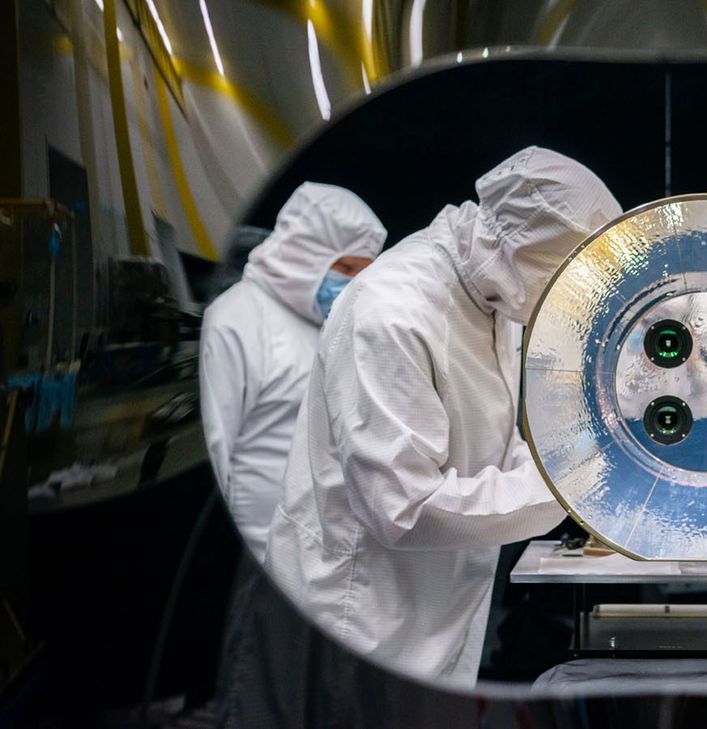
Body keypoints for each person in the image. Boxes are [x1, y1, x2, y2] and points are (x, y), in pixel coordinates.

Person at [262, 147, 622, 686]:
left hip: (435, 609)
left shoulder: (500, 291)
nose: (580, 299)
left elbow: (498, 438)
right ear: (532, 252)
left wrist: (577, 446)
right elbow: (405, 508)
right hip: (358, 618)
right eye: (574, 278)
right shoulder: (392, 313)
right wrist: (573, 482)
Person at [200, 182, 385, 561]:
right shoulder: (235, 320)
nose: (352, 284)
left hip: (311, 563)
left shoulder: (335, 329)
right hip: (251, 555)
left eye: (362, 273)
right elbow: (213, 452)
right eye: (346, 267)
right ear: (305, 253)